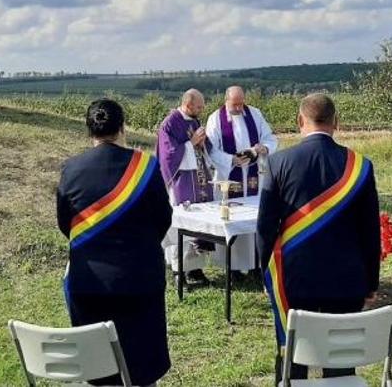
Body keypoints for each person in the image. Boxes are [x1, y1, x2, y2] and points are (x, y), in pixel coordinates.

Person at [259, 93, 381, 380]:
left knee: (292, 361)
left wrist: (264, 272)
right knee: (339, 363)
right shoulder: (361, 166)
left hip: (293, 279)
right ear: (336, 122)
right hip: (347, 281)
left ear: (300, 121)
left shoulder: (278, 163)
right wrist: (371, 282)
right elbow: (370, 232)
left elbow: (265, 228)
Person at [56, 99, 173, 386]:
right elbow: (163, 218)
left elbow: (65, 224)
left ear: (89, 131)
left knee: (98, 371)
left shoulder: (71, 169)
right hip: (140, 280)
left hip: (90, 283)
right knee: (141, 369)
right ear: (122, 128)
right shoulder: (146, 166)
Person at [156, 89, 214, 284]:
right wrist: (191, 143)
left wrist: (203, 143)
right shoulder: (170, 123)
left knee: (199, 222)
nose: (201, 110)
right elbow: (168, 156)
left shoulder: (194, 119)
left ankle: (196, 269)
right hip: (181, 182)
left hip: (199, 179)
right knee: (181, 223)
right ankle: (178, 270)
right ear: (188, 105)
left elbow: (202, 148)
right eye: (199, 107)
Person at [205, 86, 276, 197]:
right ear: (226, 100)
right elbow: (211, 149)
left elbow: (269, 137)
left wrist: (265, 147)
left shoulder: (255, 114)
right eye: (235, 104)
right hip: (228, 173)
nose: (238, 108)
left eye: (241, 104)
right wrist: (231, 160)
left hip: (253, 172)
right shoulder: (215, 119)